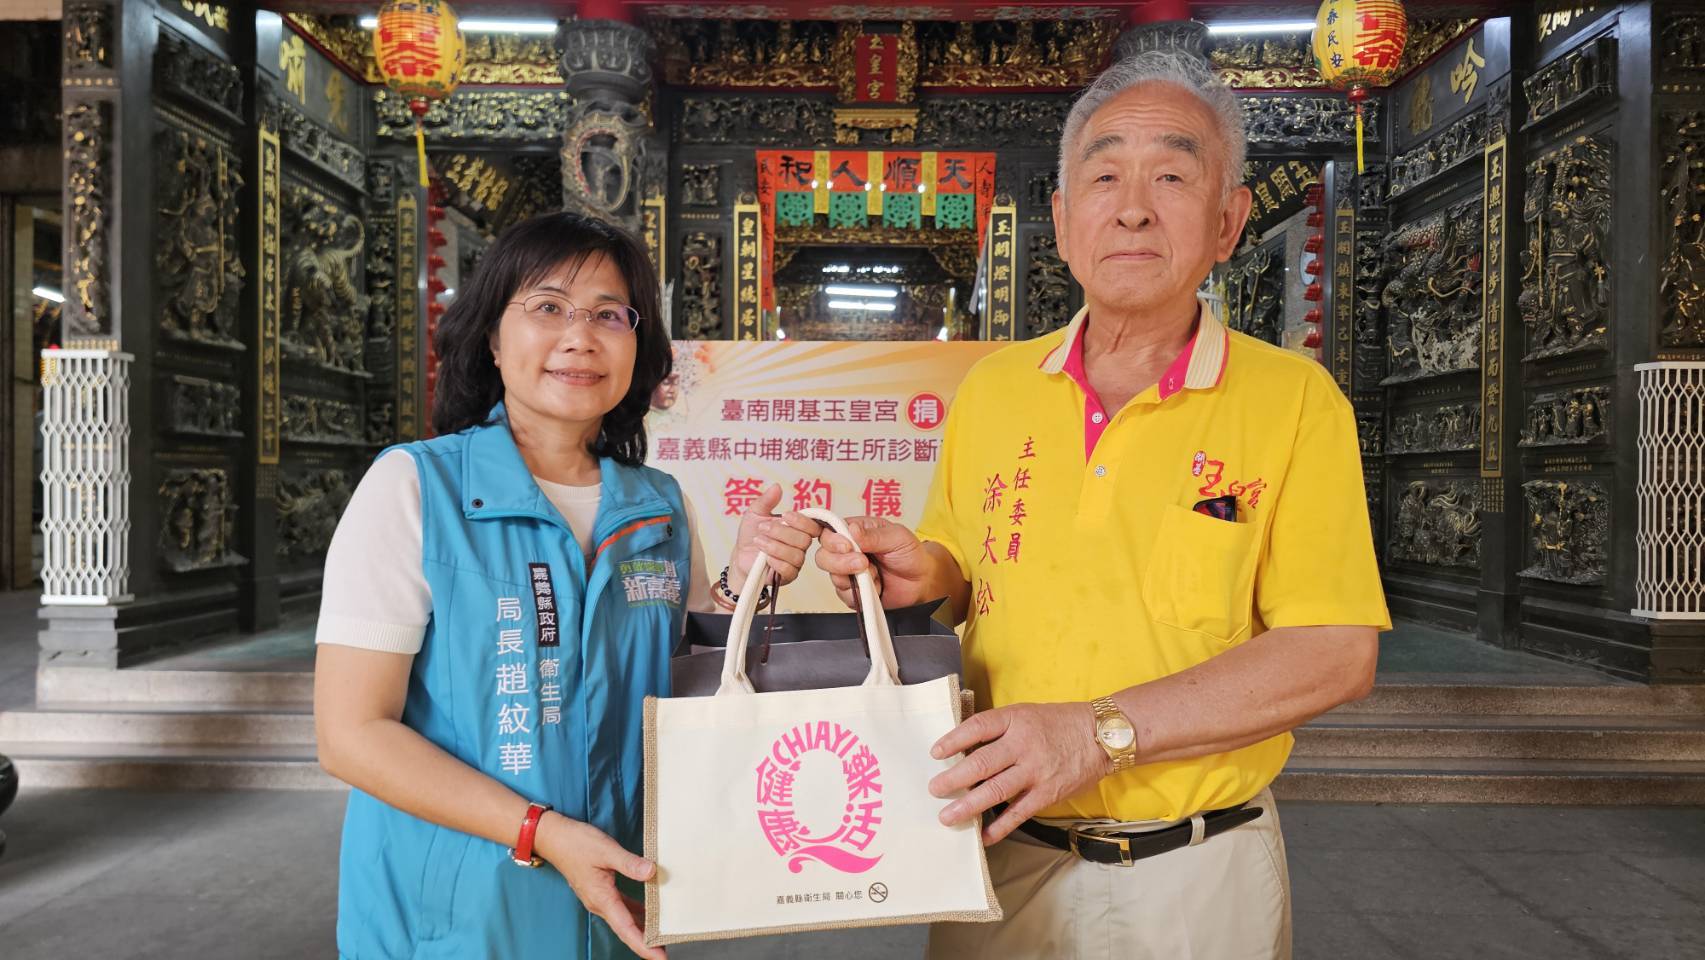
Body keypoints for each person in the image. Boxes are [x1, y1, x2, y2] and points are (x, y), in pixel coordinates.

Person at [815, 50, 1389, 959]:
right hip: (996, 853)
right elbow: (959, 568)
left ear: (1228, 221)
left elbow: (1334, 652)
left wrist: (1097, 734)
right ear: (1060, 218)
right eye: (1104, 175)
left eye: (1171, 175)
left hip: (1196, 875)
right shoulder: (996, 388)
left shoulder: (1293, 401)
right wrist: (918, 577)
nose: (1132, 208)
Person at [313, 212, 816, 960]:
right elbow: (351, 735)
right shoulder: (414, 489)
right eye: (548, 307)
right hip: (454, 915)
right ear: (492, 337)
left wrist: (742, 584)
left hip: (621, 896)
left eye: (610, 315)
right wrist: (541, 832)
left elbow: (686, 688)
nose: (580, 337)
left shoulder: (660, 506)